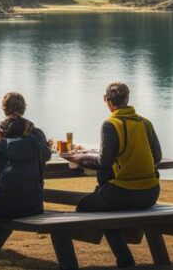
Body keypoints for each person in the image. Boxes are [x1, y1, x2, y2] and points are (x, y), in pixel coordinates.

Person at [56, 82, 163, 269]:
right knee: (104, 205)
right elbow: (158, 157)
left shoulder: (111, 124)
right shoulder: (145, 123)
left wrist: (78, 157)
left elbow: (103, 162)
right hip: (151, 193)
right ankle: (124, 261)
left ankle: (123, 260)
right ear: (127, 99)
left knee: (85, 206)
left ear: (107, 101)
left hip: (123, 192)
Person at [0, 92, 51, 257]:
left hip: (2, 205)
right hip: (34, 205)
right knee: (12, 206)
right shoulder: (36, 134)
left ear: (4, 109)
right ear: (24, 108)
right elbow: (46, 156)